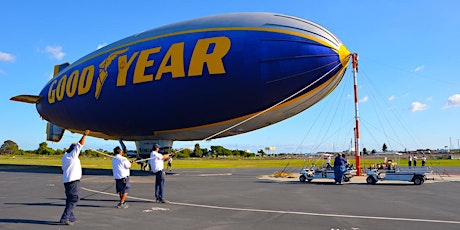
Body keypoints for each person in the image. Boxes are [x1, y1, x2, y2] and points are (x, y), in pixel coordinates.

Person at [59, 130, 89, 225]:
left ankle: (71, 217)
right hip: (73, 181)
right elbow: (79, 145)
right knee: (74, 199)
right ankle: (65, 218)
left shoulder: (65, 156)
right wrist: (85, 135)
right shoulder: (72, 156)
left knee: (70, 199)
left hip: (67, 181)